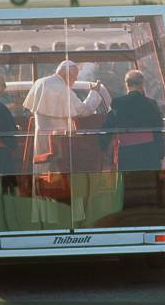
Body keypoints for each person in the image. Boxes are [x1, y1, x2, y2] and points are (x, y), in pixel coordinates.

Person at [23, 60, 104, 225]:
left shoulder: (40, 83)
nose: (74, 81)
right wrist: (95, 93)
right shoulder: (62, 89)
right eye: (74, 77)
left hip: (42, 139)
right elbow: (83, 111)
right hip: (62, 143)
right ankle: (72, 217)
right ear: (67, 74)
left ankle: (46, 217)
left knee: (43, 177)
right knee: (68, 179)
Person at [99, 70, 165, 171]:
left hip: (127, 153)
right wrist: (160, 153)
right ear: (142, 84)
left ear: (127, 84)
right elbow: (159, 129)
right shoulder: (151, 104)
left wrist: (102, 147)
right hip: (149, 152)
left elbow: (108, 126)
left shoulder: (117, 103)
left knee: (129, 183)